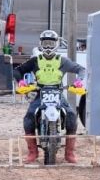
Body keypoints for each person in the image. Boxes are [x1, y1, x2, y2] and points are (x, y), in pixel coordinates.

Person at [15, 30, 86, 164]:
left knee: (71, 116)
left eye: (51, 43)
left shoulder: (62, 61)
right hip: (40, 92)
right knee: (28, 118)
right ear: (40, 44)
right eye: (45, 43)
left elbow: (81, 70)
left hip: (58, 92)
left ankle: (69, 153)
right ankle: (33, 152)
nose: (48, 46)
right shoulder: (35, 60)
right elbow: (18, 70)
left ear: (56, 44)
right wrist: (21, 82)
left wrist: (79, 81)